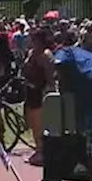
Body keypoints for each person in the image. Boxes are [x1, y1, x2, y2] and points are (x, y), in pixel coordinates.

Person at [23, 27, 55, 166]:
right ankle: (38, 149)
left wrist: (49, 91)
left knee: (39, 123)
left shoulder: (46, 55)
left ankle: (43, 152)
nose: (32, 42)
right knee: (32, 122)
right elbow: (25, 67)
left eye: (34, 40)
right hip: (30, 91)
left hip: (40, 92)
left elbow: (50, 77)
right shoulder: (31, 53)